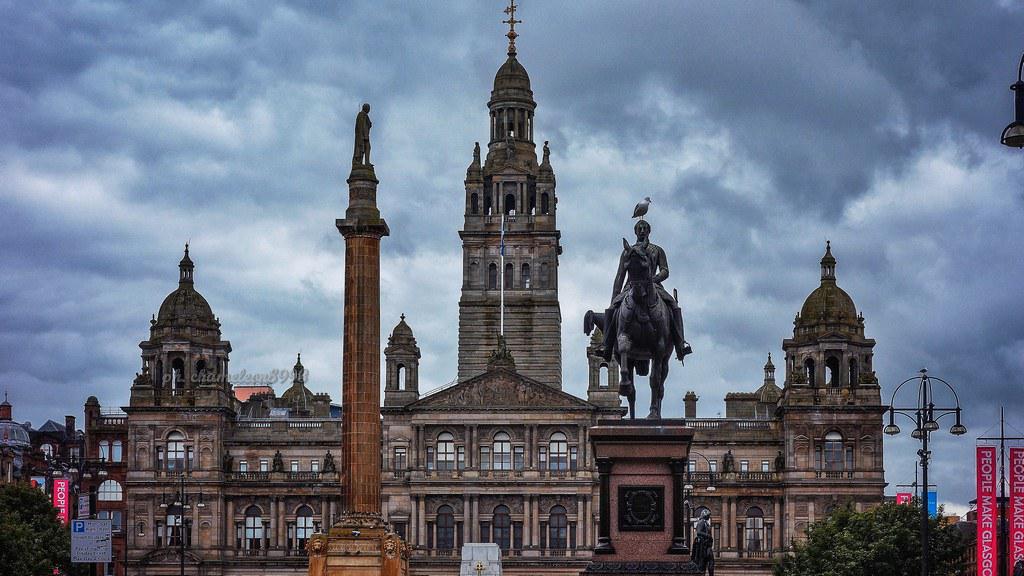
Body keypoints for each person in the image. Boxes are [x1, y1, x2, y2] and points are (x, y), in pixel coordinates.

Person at [606, 219, 690, 361]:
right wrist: (614, 298)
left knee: (673, 306)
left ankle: (680, 344)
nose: (642, 230)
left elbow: (665, 270)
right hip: (630, 287)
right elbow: (620, 276)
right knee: (612, 309)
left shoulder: (657, 250)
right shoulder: (628, 252)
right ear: (635, 231)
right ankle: (606, 346)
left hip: (654, 286)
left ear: (649, 231)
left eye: (645, 228)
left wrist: (654, 279)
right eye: (640, 228)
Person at [691, 509, 715, 575]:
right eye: (708, 515)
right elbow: (698, 532)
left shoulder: (706, 523)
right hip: (704, 546)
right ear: (705, 514)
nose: (709, 516)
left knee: (710, 561)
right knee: (707, 562)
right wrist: (708, 536)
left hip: (707, 545)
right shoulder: (701, 522)